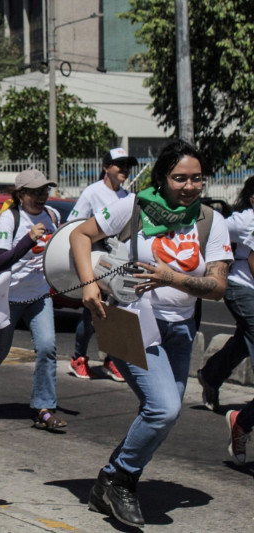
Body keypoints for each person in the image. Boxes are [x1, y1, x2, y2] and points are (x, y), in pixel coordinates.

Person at [70, 139, 231, 527]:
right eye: (180, 178)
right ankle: (122, 479)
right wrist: (89, 283)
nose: (190, 187)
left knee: (164, 412)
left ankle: (109, 480)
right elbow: (80, 236)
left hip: (180, 329)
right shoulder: (134, 207)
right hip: (132, 320)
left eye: (197, 179)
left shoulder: (210, 220)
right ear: (161, 178)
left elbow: (218, 286)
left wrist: (169, 277)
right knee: (164, 408)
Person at [0, 169, 64, 429]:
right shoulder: (10, 219)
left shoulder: (53, 216)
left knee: (47, 348)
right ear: (21, 195)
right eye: (36, 191)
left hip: (40, 295)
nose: (43, 196)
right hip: (9, 297)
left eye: (45, 190)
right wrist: (27, 241)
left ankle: (44, 407)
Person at [196, 176, 254, 464]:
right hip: (242, 289)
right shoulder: (243, 221)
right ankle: (243, 421)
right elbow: (209, 229)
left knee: (245, 342)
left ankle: (211, 374)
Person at [67, 147, 138, 382]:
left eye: (128, 166)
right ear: (106, 168)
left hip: (119, 263)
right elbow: (72, 225)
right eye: (120, 165)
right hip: (95, 261)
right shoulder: (92, 193)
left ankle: (111, 360)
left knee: (115, 313)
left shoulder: (128, 197)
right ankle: (79, 357)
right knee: (92, 314)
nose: (125, 170)